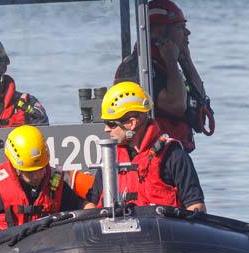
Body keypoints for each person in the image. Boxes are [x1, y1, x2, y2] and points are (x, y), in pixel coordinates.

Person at [87, 82, 205, 212]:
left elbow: (196, 208)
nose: (106, 129)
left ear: (131, 123)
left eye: (111, 124)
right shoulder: (110, 158)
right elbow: (92, 203)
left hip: (162, 231)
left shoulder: (173, 156)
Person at [113, 0, 213, 152]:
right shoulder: (136, 68)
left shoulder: (165, 65)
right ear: (159, 32)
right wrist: (172, 61)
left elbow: (200, 112)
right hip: (154, 156)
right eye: (181, 27)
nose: (187, 33)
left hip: (174, 153)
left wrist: (186, 62)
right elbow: (176, 104)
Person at [0, 125, 90, 235]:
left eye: (41, 169)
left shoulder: (55, 181)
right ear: (16, 167)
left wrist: (89, 209)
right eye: (30, 172)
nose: (37, 175)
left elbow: (78, 206)